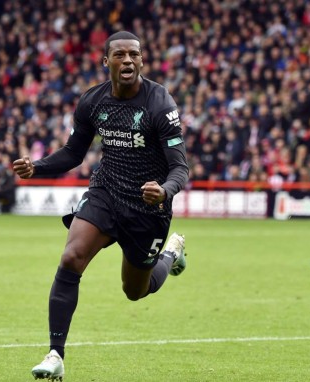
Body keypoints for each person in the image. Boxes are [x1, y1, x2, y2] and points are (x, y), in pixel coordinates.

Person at [12, 31, 189, 380]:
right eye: (120, 55)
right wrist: (38, 166)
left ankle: (171, 253)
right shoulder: (93, 102)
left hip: (147, 208)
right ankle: (55, 355)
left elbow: (180, 167)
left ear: (141, 61)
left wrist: (165, 192)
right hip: (105, 192)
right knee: (71, 258)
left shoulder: (160, 103)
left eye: (134, 55)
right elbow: (73, 153)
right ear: (106, 61)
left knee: (135, 291)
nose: (128, 61)